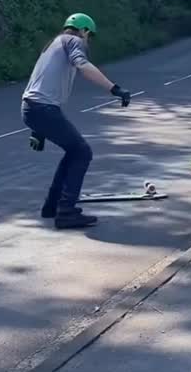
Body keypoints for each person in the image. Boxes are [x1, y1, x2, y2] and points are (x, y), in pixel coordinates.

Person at [21, 13, 131, 230]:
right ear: (85, 31)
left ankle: (53, 206)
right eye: (90, 36)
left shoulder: (53, 43)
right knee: (82, 152)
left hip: (32, 107)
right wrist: (114, 88)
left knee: (74, 151)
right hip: (42, 109)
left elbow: (41, 82)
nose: (88, 41)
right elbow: (83, 66)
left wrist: (38, 130)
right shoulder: (74, 41)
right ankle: (66, 211)